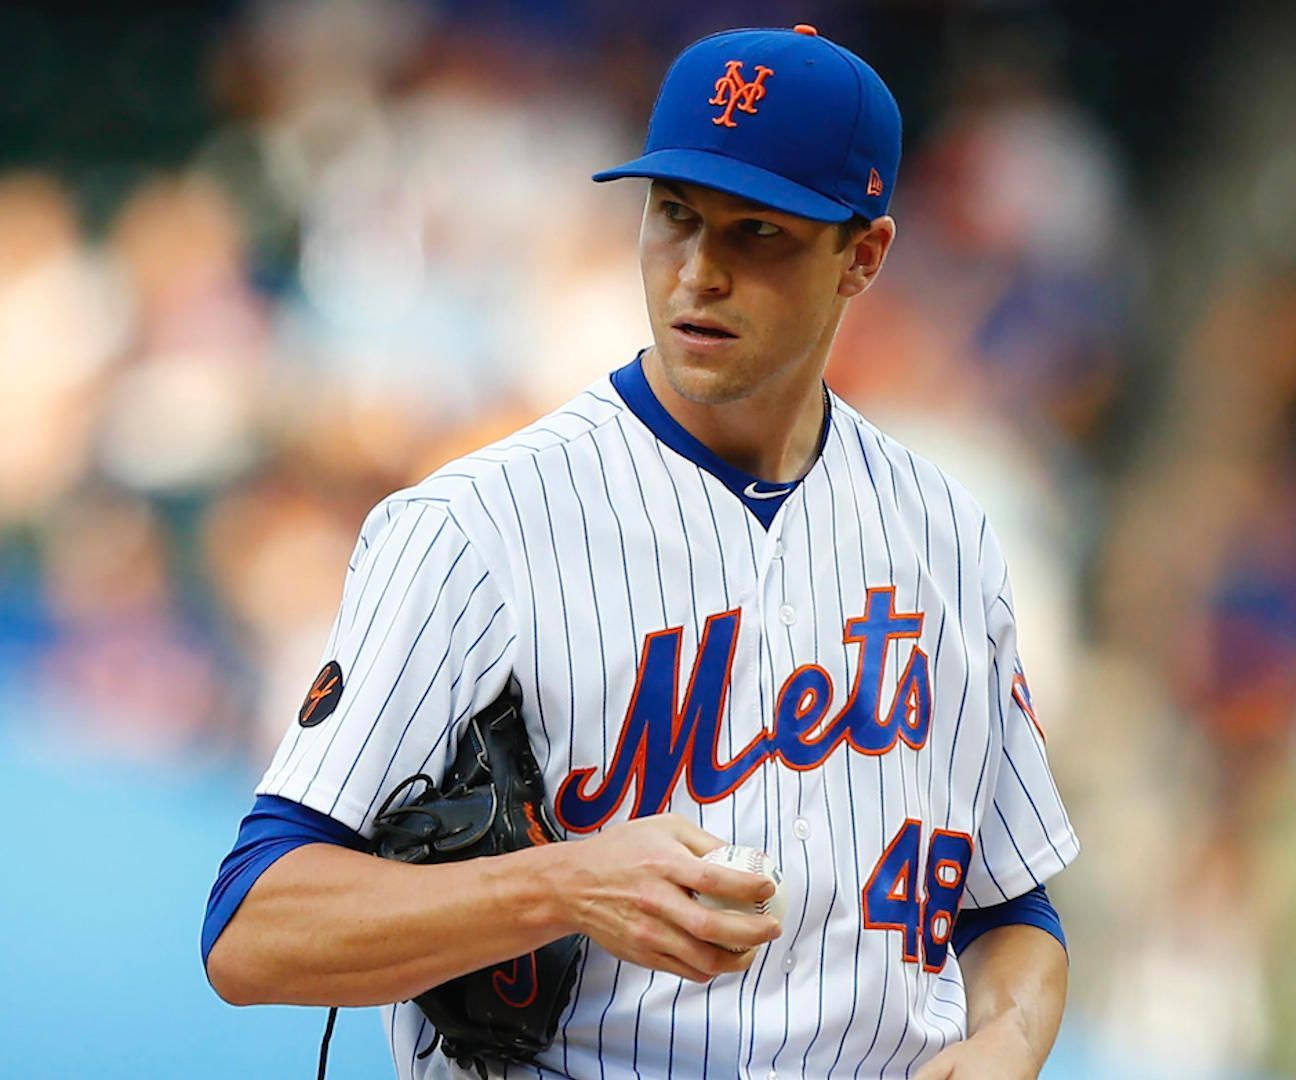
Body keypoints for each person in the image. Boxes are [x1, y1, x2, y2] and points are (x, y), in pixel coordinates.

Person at [201, 24, 1080, 1079]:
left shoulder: (950, 535)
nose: (698, 273)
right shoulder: (477, 525)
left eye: (756, 232)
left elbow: (1011, 904)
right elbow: (250, 929)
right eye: (675, 217)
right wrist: (556, 888)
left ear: (864, 256)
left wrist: (1009, 1040)